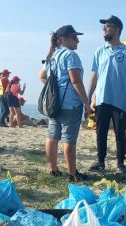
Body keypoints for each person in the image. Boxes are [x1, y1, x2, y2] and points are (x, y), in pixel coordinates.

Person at [39, 25, 92, 182]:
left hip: (53, 104)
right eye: (75, 37)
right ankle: (72, 174)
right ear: (64, 39)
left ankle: (53, 170)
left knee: (52, 136)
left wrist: (55, 89)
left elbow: (41, 76)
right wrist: (86, 102)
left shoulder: (52, 56)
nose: (78, 40)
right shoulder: (71, 55)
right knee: (69, 139)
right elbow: (75, 80)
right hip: (70, 104)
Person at [88, 15, 126, 174]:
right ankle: (101, 161)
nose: (104, 29)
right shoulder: (99, 50)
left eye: (107, 26)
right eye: (104, 26)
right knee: (100, 132)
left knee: (120, 134)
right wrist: (88, 97)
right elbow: (94, 75)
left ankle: (120, 163)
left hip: (120, 100)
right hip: (102, 98)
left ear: (117, 29)